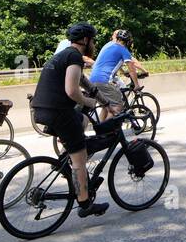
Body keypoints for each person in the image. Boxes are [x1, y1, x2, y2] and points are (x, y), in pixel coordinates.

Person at [30, 23, 111, 217]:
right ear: (85, 40)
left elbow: (84, 82)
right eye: (93, 40)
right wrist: (89, 102)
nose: (94, 43)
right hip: (58, 112)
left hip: (41, 109)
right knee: (80, 159)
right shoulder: (75, 56)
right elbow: (72, 90)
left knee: (81, 120)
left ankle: (69, 151)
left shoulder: (64, 55)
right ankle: (84, 203)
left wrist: (104, 102)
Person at [88, 29, 141, 114]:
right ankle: (109, 126)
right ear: (128, 42)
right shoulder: (124, 50)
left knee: (106, 107)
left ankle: (102, 126)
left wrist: (123, 72)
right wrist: (136, 85)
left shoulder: (108, 46)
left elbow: (112, 62)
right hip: (104, 81)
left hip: (92, 79)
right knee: (118, 105)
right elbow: (132, 70)